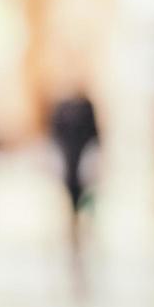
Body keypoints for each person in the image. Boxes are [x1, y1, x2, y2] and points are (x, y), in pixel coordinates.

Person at [49, 89, 99, 282]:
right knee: (68, 208)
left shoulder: (87, 105)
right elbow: (54, 135)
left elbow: (95, 135)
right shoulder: (60, 106)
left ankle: (84, 240)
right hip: (67, 167)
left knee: (86, 208)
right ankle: (71, 242)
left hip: (83, 169)